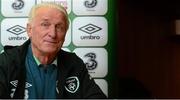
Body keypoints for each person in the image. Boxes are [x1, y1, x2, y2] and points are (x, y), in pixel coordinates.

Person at [0, 2, 107, 99]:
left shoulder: (74, 63)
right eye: (45, 25)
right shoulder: (6, 62)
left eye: (59, 27)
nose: (53, 34)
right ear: (29, 30)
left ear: (65, 34)